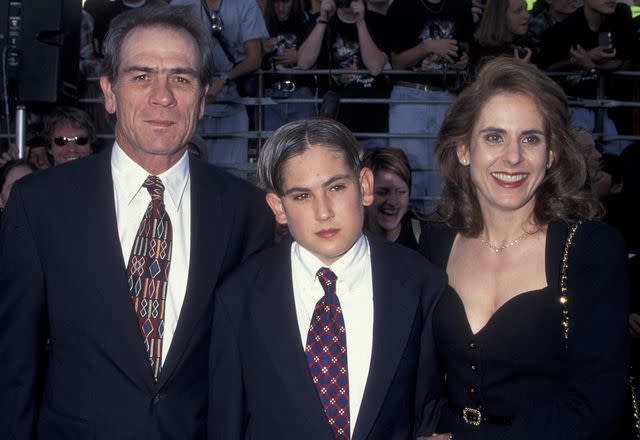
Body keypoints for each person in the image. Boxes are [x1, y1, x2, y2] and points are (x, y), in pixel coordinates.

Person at [0, 5, 273, 439]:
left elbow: (257, 365)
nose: (162, 96)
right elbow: (14, 364)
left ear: (203, 99)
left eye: (181, 79)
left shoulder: (248, 212)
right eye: (141, 76)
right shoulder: (40, 205)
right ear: (109, 91)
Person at [419, 57, 629, 437]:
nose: (512, 158)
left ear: (550, 155)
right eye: (494, 137)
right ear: (465, 150)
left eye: (530, 139)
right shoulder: (435, 243)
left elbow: (598, 406)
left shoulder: (591, 251)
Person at [208, 117, 448, 439]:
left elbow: (428, 415)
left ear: (364, 186)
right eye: (301, 196)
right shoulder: (238, 298)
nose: (323, 212)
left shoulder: (422, 284)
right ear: (278, 207)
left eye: (336, 187)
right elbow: (226, 425)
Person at [385, 0, 474, 214]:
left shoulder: (461, 7)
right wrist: (428, 47)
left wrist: (462, 61)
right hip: (409, 93)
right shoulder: (401, 7)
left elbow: (465, 50)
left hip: (448, 95)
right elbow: (397, 62)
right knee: (407, 168)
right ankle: (407, 229)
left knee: (444, 171)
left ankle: (440, 229)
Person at [170, 0, 268, 171]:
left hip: (232, 101)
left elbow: (255, 58)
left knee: (233, 174)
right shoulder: (180, 3)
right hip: (190, 105)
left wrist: (225, 78)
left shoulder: (245, 5)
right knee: (190, 173)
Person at [539, 0, 636, 155]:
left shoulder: (621, 16)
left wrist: (591, 64)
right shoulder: (564, 29)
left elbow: (625, 59)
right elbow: (546, 68)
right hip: (574, 111)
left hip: (615, 113)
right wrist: (578, 61)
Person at [297, 0, 390, 148]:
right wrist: (323, 19)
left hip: (373, 124)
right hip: (333, 125)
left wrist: (360, 22)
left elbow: (375, 67)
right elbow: (303, 62)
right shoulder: (319, 21)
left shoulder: (377, 21)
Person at [260, 0, 316, 131]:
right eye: (276, 3)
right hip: (270, 93)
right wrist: (262, 50)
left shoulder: (308, 20)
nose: (280, 8)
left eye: (285, 2)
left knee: (302, 146)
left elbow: (320, 57)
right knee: (272, 148)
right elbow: (249, 58)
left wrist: (300, 56)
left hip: (301, 92)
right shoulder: (262, 22)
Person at [362, 147, 423, 249]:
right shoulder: (350, 239)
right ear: (364, 191)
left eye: (401, 192)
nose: (392, 201)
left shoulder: (425, 237)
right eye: (382, 192)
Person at [470, 0, 533, 69]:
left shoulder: (523, 42)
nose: (527, 15)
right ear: (500, 16)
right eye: (518, 11)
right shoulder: (490, 56)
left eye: (526, 9)